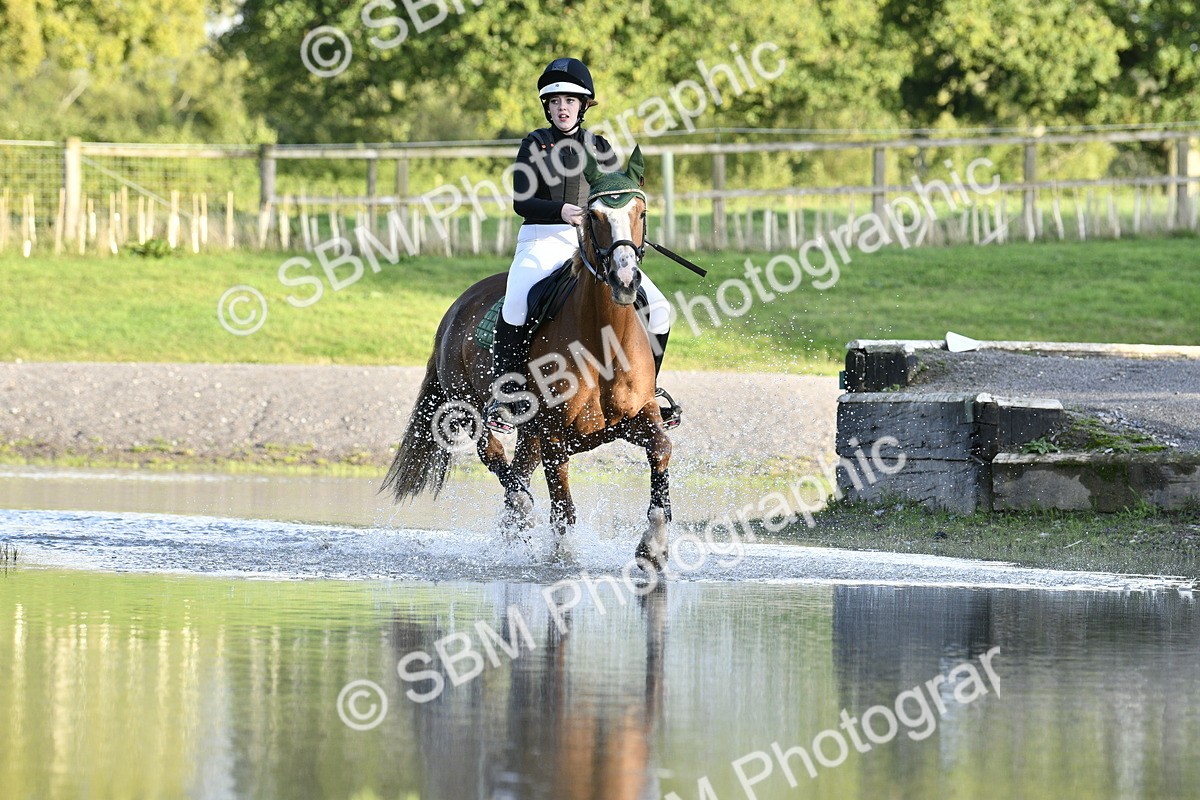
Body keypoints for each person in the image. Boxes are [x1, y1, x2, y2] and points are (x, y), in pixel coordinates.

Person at [484, 57, 677, 433]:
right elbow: (521, 202)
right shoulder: (534, 145)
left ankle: (648, 389)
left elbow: (615, 195)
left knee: (660, 307)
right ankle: (507, 393)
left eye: (570, 101)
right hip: (543, 238)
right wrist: (562, 211)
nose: (562, 108)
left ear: (583, 105)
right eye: (555, 102)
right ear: (547, 107)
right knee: (517, 299)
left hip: (595, 244)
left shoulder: (600, 146)